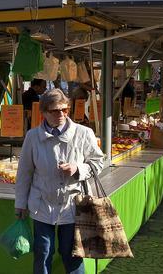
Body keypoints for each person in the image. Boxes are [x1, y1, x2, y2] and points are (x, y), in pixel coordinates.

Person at [15, 88, 105, 274]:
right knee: (43, 252)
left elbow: (98, 162)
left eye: (65, 110)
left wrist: (78, 169)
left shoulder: (84, 133)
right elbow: (24, 172)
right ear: (44, 112)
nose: (61, 114)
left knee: (71, 254)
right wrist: (20, 203)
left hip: (72, 206)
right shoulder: (32, 137)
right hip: (42, 204)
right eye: (55, 111)